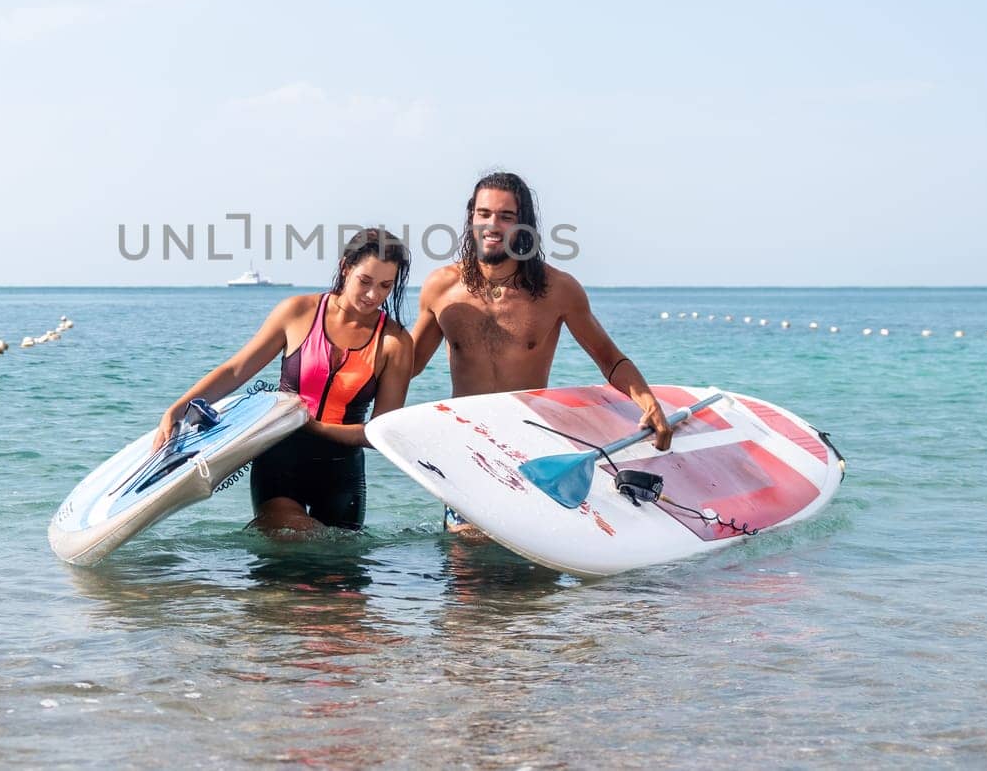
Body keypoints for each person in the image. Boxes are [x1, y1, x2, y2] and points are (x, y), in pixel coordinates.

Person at [410, 172, 670, 529]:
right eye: (484, 214)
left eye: (506, 216)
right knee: (466, 558)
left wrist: (647, 401)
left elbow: (609, 359)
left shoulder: (558, 290)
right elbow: (406, 365)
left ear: (525, 225)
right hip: (467, 446)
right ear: (471, 217)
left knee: (533, 557)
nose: (492, 225)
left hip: (528, 445)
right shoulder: (441, 288)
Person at [153, 228, 414, 534]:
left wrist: (313, 426)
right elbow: (236, 370)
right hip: (280, 460)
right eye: (365, 282)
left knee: (337, 571)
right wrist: (177, 410)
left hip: (342, 473)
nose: (373, 295)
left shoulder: (395, 342)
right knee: (290, 539)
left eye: (385, 286)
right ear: (346, 268)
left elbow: (380, 433)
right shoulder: (297, 312)